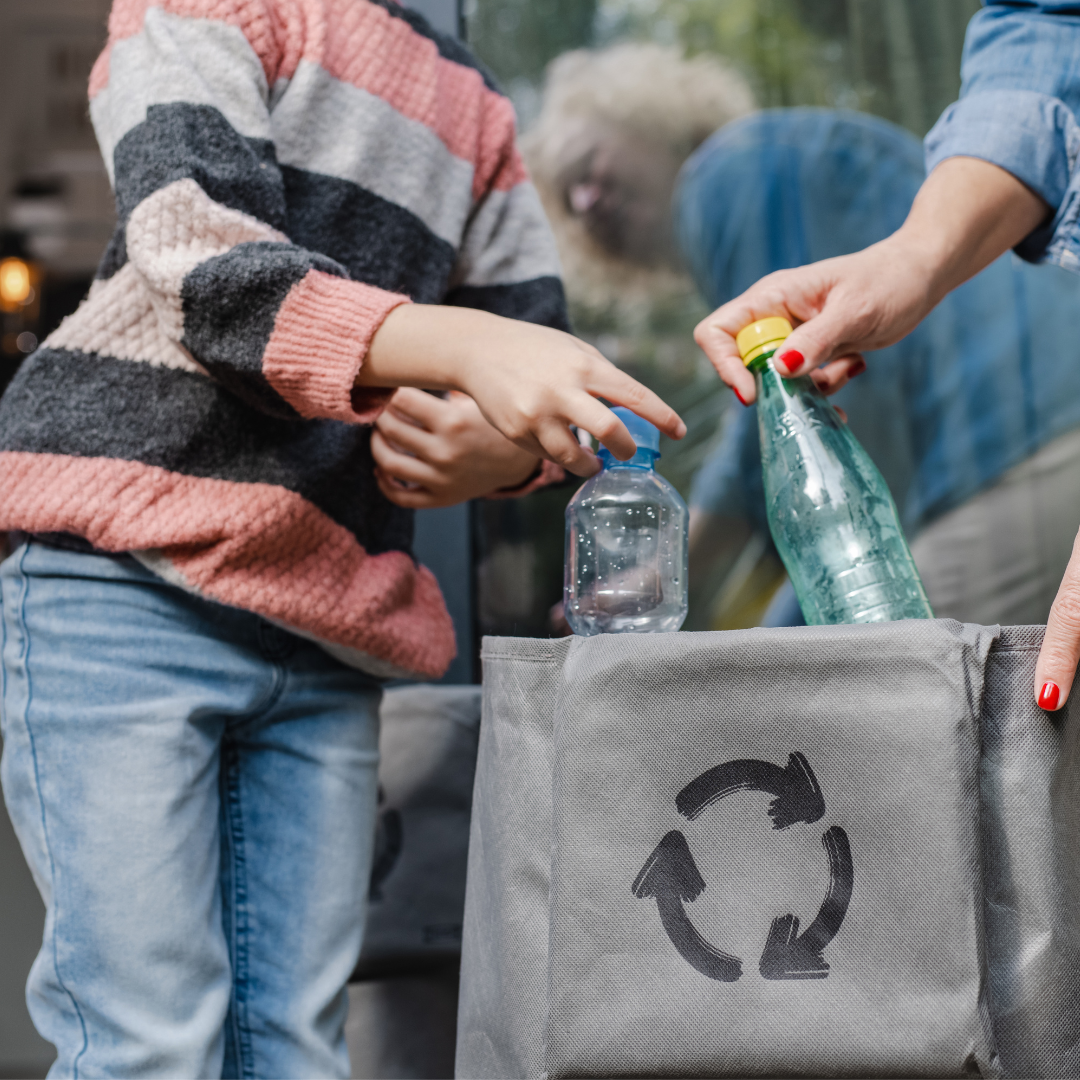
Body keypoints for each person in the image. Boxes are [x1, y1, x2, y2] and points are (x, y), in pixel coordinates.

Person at [0, 1, 683, 1076]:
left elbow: (530, 353)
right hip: (124, 595)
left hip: (326, 634)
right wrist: (466, 349)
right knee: (147, 1038)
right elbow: (201, 262)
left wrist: (498, 452)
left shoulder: (474, 103)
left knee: (298, 1045)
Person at [694, 0, 1080, 711]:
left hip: (1007, 449)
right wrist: (914, 256)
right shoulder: (798, 155)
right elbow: (1047, 33)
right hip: (1039, 422)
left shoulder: (725, 185)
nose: (589, 204)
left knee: (906, 708)